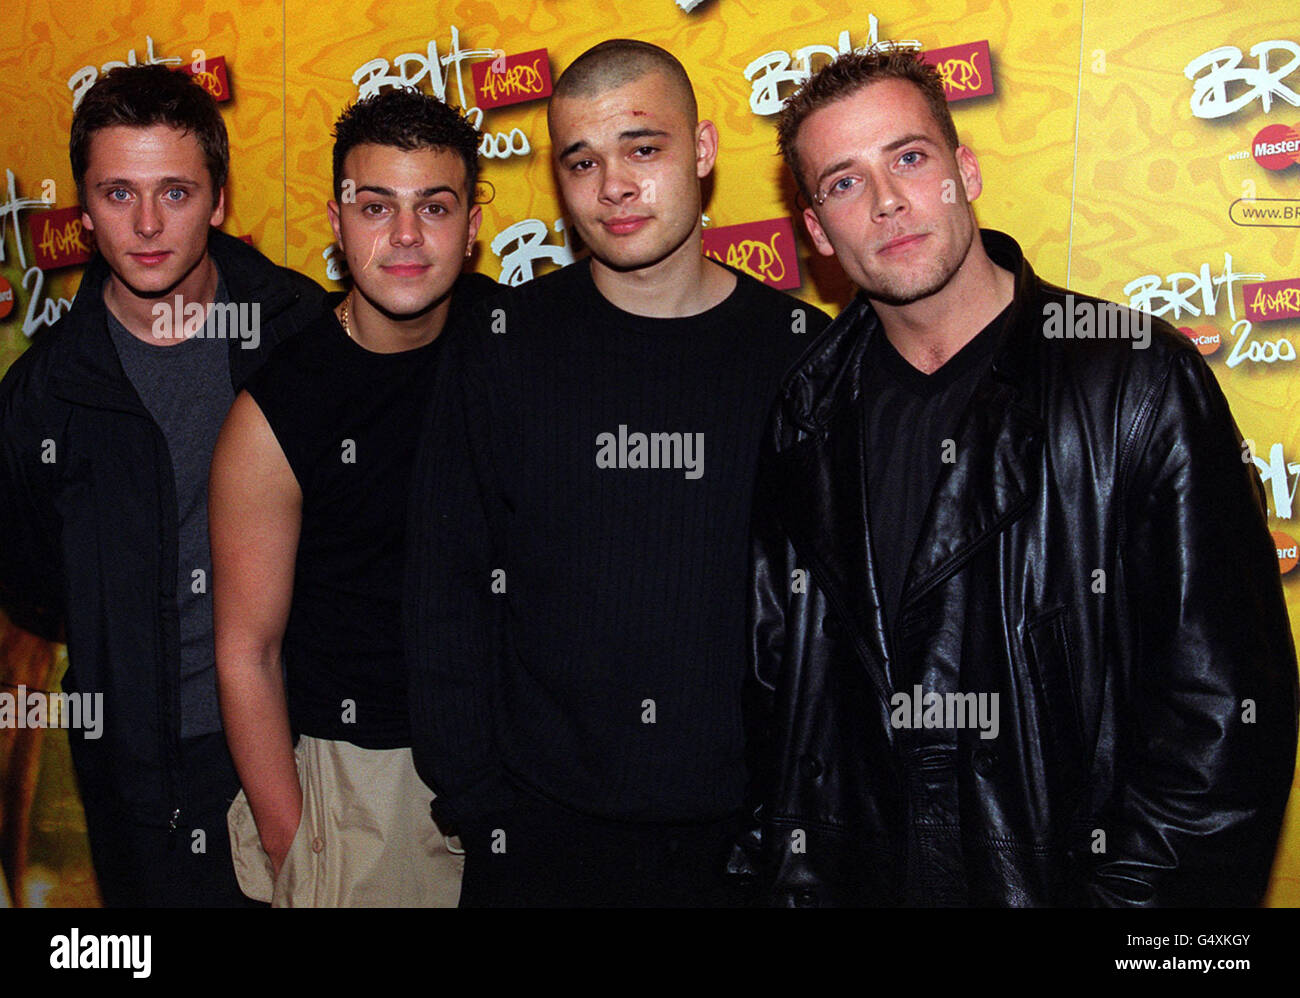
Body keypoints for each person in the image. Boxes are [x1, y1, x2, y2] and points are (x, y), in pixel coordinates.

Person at [747, 48, 1300, 906]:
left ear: (963, 170)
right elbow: (782, 694)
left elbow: (1221, 719)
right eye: (845, 183)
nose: (888, 201)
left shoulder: (1135, 381)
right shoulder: (805, 410)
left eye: (909, 157)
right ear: (816, 231)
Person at [405, 38, 830, 907]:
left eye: (644, 148)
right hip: (538, 837)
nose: (614, 187)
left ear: (703, 151)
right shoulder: (500, 348)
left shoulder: (802, 358)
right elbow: (442, 588)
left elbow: (835, 616)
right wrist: (479, 801)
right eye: (582, 160)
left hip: (744, 845)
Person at [0, 64, 326, 906]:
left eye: (175, 193)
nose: (146, 224)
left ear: (218, 200)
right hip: (136, 773)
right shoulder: (41, 399)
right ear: (82, 206)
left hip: (313, 745)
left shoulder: (300, 336)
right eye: (117, 193)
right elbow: (37, 589)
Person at [210, 88, 493, 907]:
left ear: (472, 224)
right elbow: (246, 653)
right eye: (376, 207)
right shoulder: (278, 411)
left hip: (516, 761)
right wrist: (291, 840)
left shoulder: (515, 343)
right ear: (337, 223)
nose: (405, 236)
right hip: (363, 781)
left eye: (433, 207)